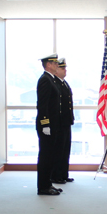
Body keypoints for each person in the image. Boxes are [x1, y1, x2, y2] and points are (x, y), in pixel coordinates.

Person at [36, 53, 62, 196]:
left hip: (53, 125)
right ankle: (43, 187)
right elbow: (42, 105)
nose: (57, 65)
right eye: (55, 63)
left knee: (51, 156)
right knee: (46, 157)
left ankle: (48, 183)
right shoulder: (45, 80)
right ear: (48, 65)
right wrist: (45, 124)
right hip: (47, 126)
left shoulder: (51, 79)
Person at [52, 58, 75, 185]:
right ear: (56, 71)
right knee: (58, 151)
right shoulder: (55, 83)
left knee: (66, 150)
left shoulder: (64, 83)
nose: (65, 70)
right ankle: (56, 175)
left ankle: (64, 174)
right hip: (59, 123)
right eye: (62, 68)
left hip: (66, 122)